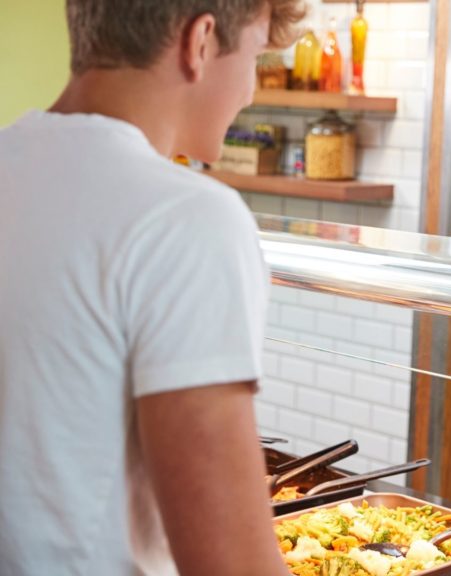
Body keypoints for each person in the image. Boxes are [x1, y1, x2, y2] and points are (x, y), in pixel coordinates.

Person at [0, 1, 304, 574]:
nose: (250, 92)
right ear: (202, 42)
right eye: (257, 57)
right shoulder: (187, 218)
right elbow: (231, 566)